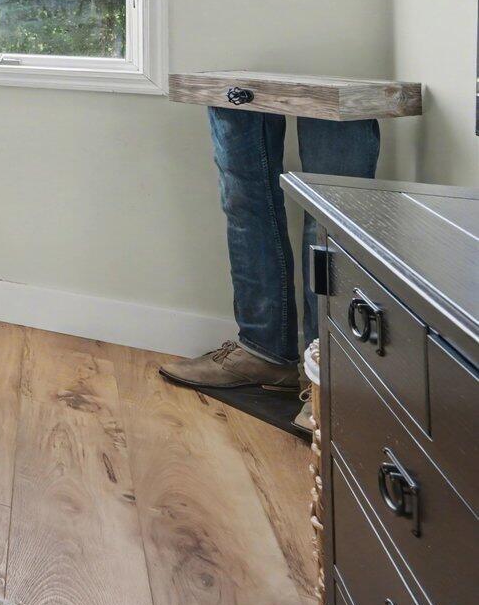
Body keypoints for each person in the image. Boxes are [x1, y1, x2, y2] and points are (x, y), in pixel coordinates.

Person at [159, 108, 379, 429]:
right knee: (243, 204)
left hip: (340, 72)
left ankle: (329, 378)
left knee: (331, 216)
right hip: (238, 74)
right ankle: (263, 353)